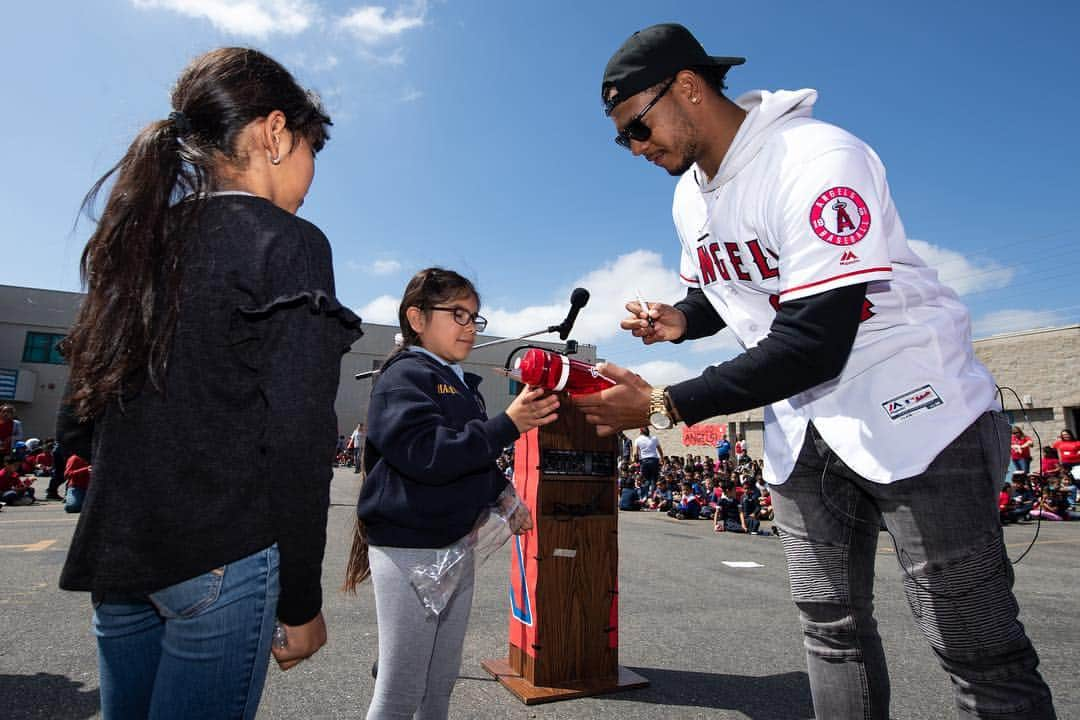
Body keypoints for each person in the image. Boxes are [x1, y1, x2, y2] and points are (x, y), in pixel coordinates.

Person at [576, 23, 1056, 718]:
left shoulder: (815, 157)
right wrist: (683, 319)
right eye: (624, 139)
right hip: (802, 423)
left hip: (915, 410)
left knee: (976, 646)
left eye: (638, 129)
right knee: (831, 633)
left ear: (687, 87)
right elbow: (726, 287)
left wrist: (663, 406)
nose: (636, 149)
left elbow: (815, 340)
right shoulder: (689, 197)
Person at [57, 47, 360, 720]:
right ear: (276, 133)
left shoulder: (138, 239)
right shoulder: (288, 241)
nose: (311, 176)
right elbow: (299, 435)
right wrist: (301, 601)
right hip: (220, 554)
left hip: (122, 554)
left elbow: (88, 408)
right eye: (313, 150)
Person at [343, 268, 558, 720]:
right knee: (401, 689)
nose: (469, 326)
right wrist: (508, 424)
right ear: (416, 318)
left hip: (454, 545)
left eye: (475, 317)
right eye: (457, 313)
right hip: (408, 547)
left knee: (440, 683)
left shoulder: (459, 382)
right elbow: (427, 455)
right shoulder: (405, 377)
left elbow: (468, 459)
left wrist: (503, 496)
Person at [633, 426, 664, 496]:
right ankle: (653, 496)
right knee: (654, 479)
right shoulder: (654, 438)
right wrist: (662, 458)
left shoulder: (638, 440)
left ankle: (645, 496)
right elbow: (659, 449)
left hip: (644, 461)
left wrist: (635, 461)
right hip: (654, 460)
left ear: (640, 431)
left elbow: (636, 453)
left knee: (645, 480)